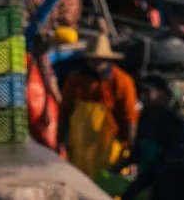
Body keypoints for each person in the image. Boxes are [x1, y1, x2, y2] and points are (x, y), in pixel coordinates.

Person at [57, 29, 139, 185]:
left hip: (110, 150)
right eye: (93, 59)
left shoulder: (122, 81)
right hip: (79, 150)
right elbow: (65, 111)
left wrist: (130, 153)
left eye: (100, 59)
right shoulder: (75, 79)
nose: (96, 63)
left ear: (107, 59)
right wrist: (59, 140)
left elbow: (130, 118)